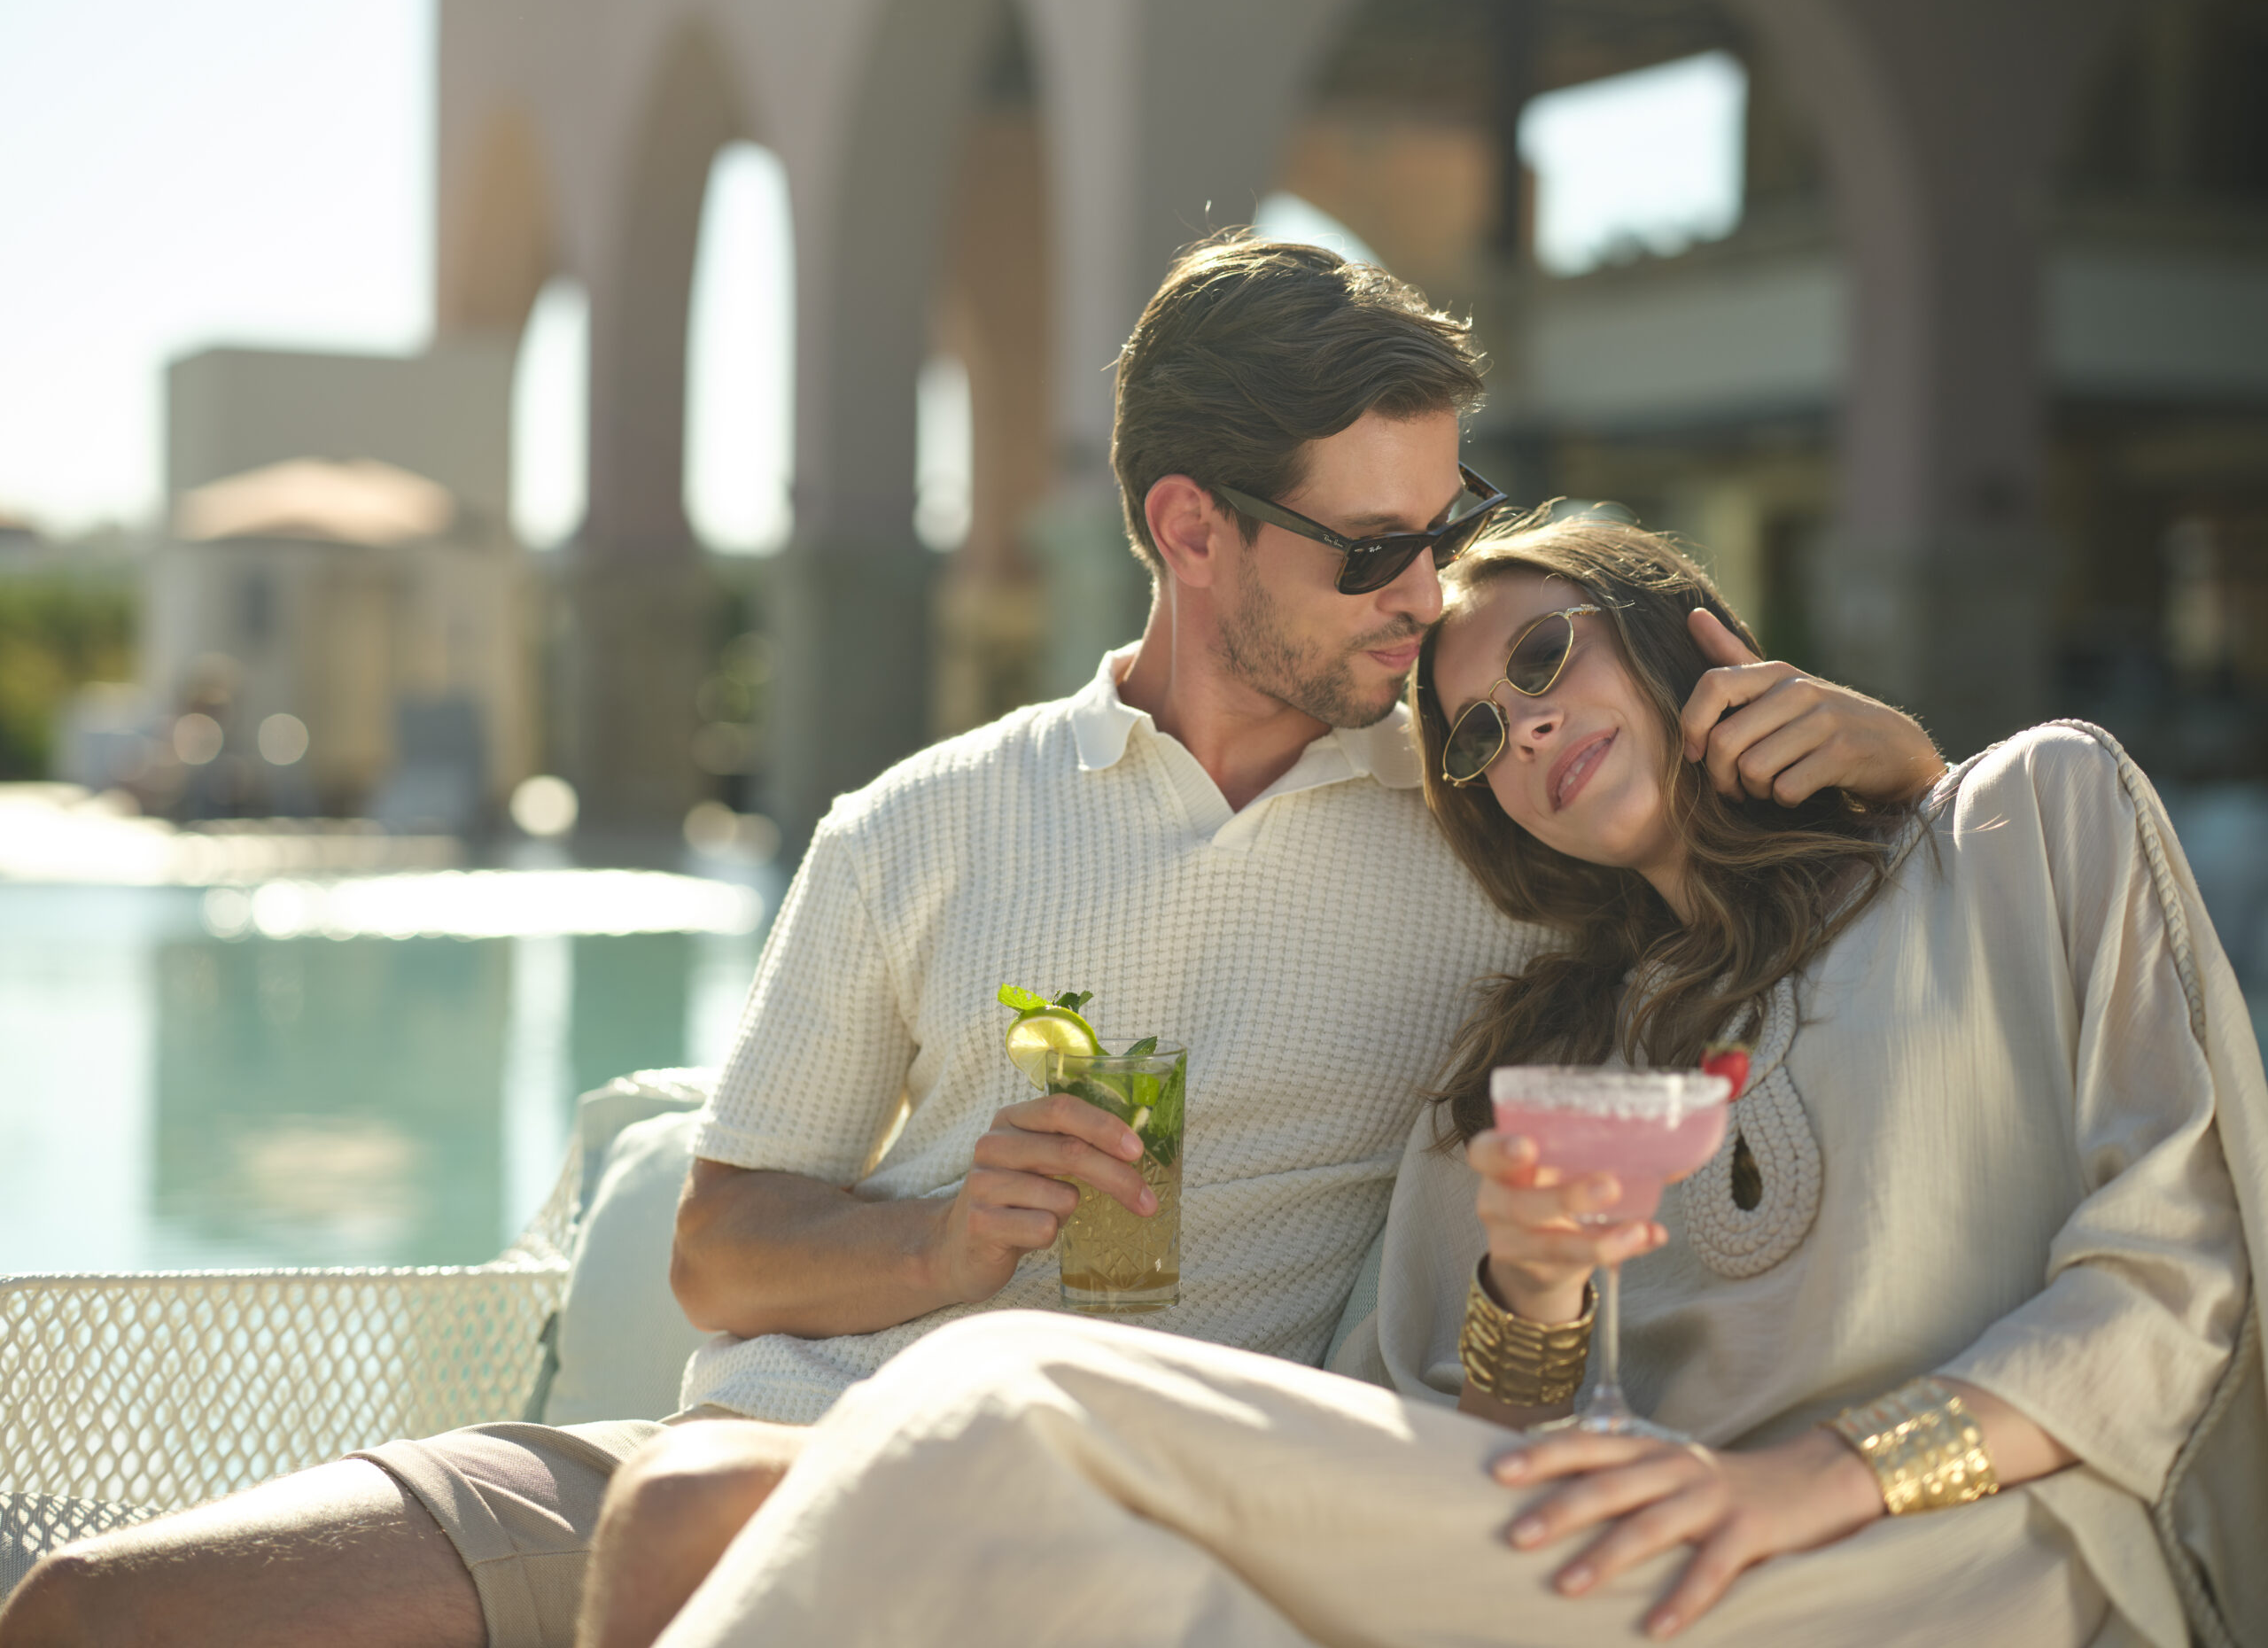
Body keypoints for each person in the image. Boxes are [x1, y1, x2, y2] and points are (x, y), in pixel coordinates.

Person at [0, 244, 1939, 1648]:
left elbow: (1749, 905)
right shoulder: (916, 824)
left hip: (1094, 1505)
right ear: (1192, 530)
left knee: (688, 1525)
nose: (1422, 598)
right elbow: (715, 1242)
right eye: (1369, 551)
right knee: (91, 1608)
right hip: (729, 1441)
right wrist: (940, 1241)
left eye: (1448, 528)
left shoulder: (1474, 823)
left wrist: (1899, 760)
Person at [622, 517, 2267, 1648]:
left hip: (1959, 1567)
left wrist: (1798, 1486)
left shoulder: (2024, 825)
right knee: (1008, 1483)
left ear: (1683, 633)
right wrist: (1533, 1287)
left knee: (992, 1395)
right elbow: (1466, 1434)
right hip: (1619, 1569)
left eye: (1549, 658)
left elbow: (2178, 1282)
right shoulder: (1543, 1060)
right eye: (1475, 736)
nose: (1528, 730)